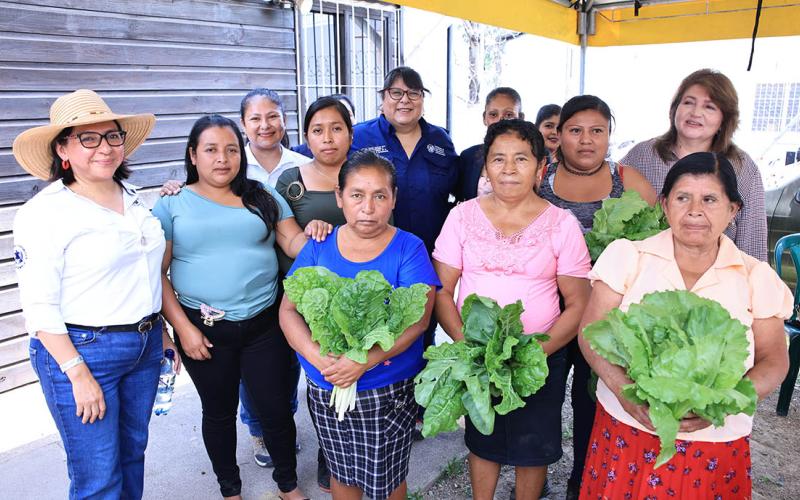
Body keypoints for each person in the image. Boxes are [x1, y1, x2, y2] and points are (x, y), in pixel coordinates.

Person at [578, 152, 792, 499]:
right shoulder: (627, 256)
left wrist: (719, 405)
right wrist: (625, 393)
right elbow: (591, 334)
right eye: (682, 198)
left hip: (715, 442)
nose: (695, 210)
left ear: (733, 209)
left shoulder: (757, 277)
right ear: (664, 205)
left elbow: (774, 360)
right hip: (629, 429)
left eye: (709, 199)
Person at [153, 115, 328, 500]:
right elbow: (157, 276)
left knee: (276, 410)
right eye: (211, 150)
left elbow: (292, 243)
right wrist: (183, 328)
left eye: (231, 149)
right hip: (203, 329)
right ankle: (230, 489)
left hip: (265, 323)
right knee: (218, 413)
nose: (222, 158)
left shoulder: (262, 195)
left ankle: (287, 484)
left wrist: (316, 234)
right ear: (193, 155)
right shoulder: (171, 204)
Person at [12, 89, 174, 499]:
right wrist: (78, 374)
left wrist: (161, 332)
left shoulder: (134, 198)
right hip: (83, 351)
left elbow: (144, 273)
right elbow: (39, 305)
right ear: (62, 149)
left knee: (131, 455)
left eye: (112, 136)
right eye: (88, 138)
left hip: (144, 344)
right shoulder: (45, 213)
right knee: (98, 475)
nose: (104, 147)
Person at [433, 119, 592, 500]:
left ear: (541, 167)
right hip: (476, 357)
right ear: (484, 166)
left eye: (521, 159)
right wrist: (469, 348)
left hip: (539, 357)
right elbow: (442, 290)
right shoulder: (462, 216)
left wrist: (535, 353)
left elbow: (579, 302)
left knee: (532, 445)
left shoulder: (561, 224)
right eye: (498, 159)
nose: (508, 169)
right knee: (482, 436)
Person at [280, 150, 439, 500]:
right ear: (339, 198)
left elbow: (419, 320)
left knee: (388, 478)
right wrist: (318, 357)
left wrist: (362, 362)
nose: (368, 207)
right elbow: (288, 311)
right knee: (341, 471)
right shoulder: (319, 246)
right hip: (327, 384)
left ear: (393, 199)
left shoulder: (409, 248)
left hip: (386, 389)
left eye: (379, 196)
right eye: (356, 195)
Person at [534, 94, 655, 498]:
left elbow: (656, 246)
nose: (586, 140)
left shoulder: (629, 181)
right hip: (548, 312)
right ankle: (534, 475)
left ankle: (581, 480)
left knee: (592, 401)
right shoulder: (539, 177)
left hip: (606, 321)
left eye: (596, 131)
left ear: (609, 135)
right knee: (540, 398)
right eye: (575, 130)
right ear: (558, 135)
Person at [275, 95, 353, 491]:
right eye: (318, 130)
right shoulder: (289, 180)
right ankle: (327, 451)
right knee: (318, 377)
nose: (328, 138)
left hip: (360, 298)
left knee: (354, 371)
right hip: (308, 299)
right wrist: (309, 236)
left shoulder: (366, 174)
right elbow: (285, 238)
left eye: (337, 128)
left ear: (350, 134)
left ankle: (344, 452)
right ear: (306, 136)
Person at [621, 68, 767, 261]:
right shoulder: (642, 156)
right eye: (688, 102)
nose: (696, 113)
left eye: (709, 107)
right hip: (647, 269)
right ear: (675, 109)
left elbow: (753, 240)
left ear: (724, 119)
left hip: (719, 277)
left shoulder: (742, 167)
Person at [456, 87, 524, 201]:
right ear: (484, 118)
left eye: (508, 114)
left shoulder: (533, 155)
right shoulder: (468, 156)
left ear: (521, 118)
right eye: (493, 114)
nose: (500, 120)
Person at [293, 93, 357, 158]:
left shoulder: (364, 164)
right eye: (317, 130)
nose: (327, 139)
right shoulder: (297, 155)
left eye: (336, 129)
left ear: (350, 134)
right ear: (307, 139)